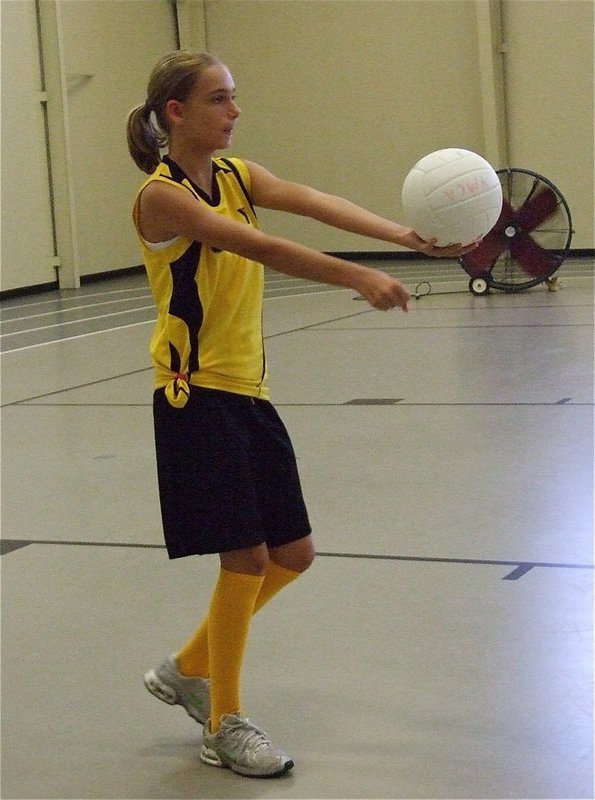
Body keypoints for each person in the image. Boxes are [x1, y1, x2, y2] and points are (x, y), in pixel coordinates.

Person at [126, 50, 477, 779]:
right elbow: (255, 244)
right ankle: (222, 724)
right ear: (176, 114)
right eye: (220, 98)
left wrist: (401, 237)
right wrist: (355, 275)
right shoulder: (161, 197)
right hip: (195, 397)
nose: (236, 110)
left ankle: (188, 668)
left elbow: (310, 201)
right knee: (246, 558)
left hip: (247, 390)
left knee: (292, 555)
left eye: (235, 96)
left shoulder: (235, 174)